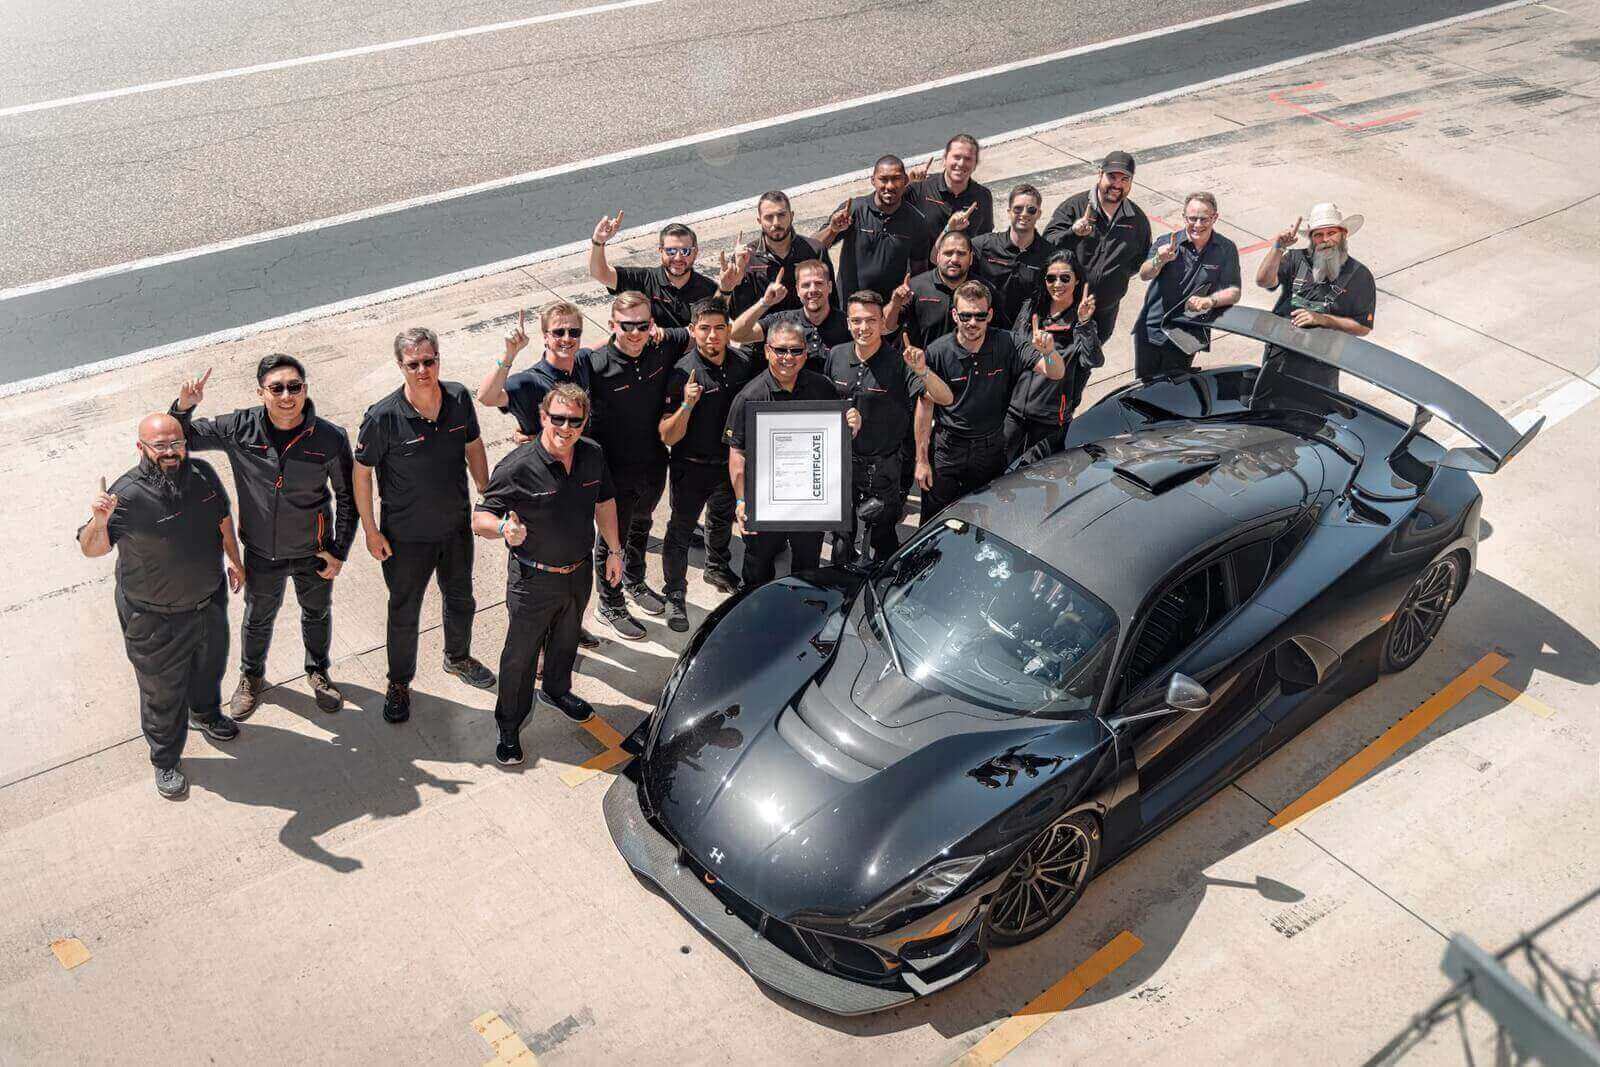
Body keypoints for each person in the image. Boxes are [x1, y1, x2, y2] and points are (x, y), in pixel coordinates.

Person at [171, 355, 355, 719]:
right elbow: (182, 439)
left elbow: (348, 496)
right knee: (257, 619)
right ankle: (251, 678)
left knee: (316, 613)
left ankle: (318, 672)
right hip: (261, 552)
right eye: (276, 388)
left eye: (294, 386)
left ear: (304, 388)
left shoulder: (330, 438)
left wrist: (338, 551)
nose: (287, 396)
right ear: (261, 392)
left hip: (313, 550)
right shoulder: (240, 427)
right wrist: (183, 408)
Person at [78, 412, 245, 799]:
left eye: (177, 443)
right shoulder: (127, 494)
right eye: (161, 446)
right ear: (142, 448)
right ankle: (165, 758)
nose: (171, 452)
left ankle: (205, 714)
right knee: (161, 691)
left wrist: (234, 560)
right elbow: (92, 549)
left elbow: (222, 520)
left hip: (208, 602)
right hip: (154, 618)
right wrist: (99, 522)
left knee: (210, 668)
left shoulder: (202, 474)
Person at [473, 384, 625, 767]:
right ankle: (509, 725)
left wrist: (615, 550)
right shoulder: (518, 466)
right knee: (520, 658)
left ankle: (556, 691)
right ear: (543, 417)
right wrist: (504, 527)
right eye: (557, 418)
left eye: (574, 420)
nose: (565, 427)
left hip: (578, 573)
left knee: (566, 640)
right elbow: (480, 518)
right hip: (533, 581)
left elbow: (604, 501)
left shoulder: (592, 454)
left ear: (584, 421)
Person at [354, 327, 496, 725]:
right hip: (404, 538)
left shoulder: (459, 398)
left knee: (461, 598)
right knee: (404, 612)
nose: (423, 370)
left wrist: (488, 493)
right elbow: (361, 474)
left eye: (429, 361)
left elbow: (473, 445)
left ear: (438, 359)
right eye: (413, 364)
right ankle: (398, 683)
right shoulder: (382, 417)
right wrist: (370, 530)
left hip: (454, 529)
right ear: (401, 366)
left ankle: (458, 657)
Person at [821, 291, 954, 564]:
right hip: (841, 464)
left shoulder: (898, 363)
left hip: (883, 469)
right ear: (847, 323)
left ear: (883, 322)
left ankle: (886, 580)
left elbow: (944, 398)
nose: (863, 328)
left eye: (871, 320)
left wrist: (922, 371)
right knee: (841, 536)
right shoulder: (836, 355)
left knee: (882, 535)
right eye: (856, 320)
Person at [725, 321, 861, 587]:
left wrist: (852, 424)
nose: (788, 358)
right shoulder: (749, 397)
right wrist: (742, 502)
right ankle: (756, 611)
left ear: (805, 354)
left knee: (807, 568)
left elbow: (837, 434)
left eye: (796, 351)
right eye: (781, 350)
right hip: (764, 501)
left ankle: (802, 611)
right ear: (766, 351)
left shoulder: (822, 387)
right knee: (758, 568)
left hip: (810, 502)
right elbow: (737, 454)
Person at [584, 291, 688, 640]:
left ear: (652, 325)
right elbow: (552, 380)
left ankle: (634, 580)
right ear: (613, 325)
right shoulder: (594, 365)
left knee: (642, 525)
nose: (635, 333)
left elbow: (702, 330)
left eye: (642, 325)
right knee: (612, 538)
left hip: (654, 462)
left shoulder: (662, 346)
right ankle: (609, 603)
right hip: (612, 472)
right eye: (626, 326)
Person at [916, 283, 1065, 521]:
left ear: (990, 315)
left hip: (990, 449)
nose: (972, 322)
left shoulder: (1008, 343)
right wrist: (921, 459)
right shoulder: (937, 352)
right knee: (935, 518)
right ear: (955, 315)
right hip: (947, 449)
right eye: (965, 315)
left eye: (979, 315)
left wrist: (1049, 352)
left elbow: (1055, 372)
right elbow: (925, 406)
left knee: (985, 514)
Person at [659, 298, 755, 631]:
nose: (712, 336)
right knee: (680, 531)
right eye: (704, 329)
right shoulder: (680, 372)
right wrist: (687, 403)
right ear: (693, 331)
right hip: (690, 466)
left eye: (719, 328)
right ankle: (674, 591)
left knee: (721, 520)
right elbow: (668, 436)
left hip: (727, 464)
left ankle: (717, 565)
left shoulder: (744, 363)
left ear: (729, 330)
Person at [1255, 202, 1376, 390]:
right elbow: (1264, 281)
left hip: (1321, 370)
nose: (1325, 239)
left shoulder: (1360, 275)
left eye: (1331, 233)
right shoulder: (1295, 259)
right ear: (1312, 239)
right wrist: (1278, 248)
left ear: (1344, 234)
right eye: (1318, 234)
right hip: (1278, 359)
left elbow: (1362, 327)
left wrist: (1323, 319)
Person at [1042, 151, 1153, 340]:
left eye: (1124, 179)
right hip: (1066, 306)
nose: (1117, 184)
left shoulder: (1137, 220)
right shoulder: (1074, 207)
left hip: (1104, 312)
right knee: (1058, 360)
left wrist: (1114, 282)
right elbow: (1046, 244)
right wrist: (1073, 233)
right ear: (1100, 174)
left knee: (1088, 362)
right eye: (1112, 176)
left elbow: (1139, 260)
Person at [1132, 192, 1242, 380]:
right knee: (1144, 389)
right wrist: (1160, 259)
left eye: (1204, 219)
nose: (1197, 225)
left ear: (1215, 217)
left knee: (1175, 389)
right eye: (1192, 218)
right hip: (1152, 331)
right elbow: (1144, 274)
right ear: (1184, 217)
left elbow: (1234, 292)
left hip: (1187, 334)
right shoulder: (1167, 242)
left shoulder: (1226, 248)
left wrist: (1210, 301)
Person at [1006, 254, 1106, 460]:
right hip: (1014, 410)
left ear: (1077, 279)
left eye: (1065, 278)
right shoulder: (1031, 309)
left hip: (1050, 419)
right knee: (997, 466)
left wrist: (1085, 323)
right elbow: (1012, 348)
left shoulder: (1081, 321)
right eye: (1051, 278)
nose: (1057, 284)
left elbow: (1093, 361)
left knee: (1035, 474)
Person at [815, 155, 936, 310]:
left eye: (896, 179)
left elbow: (919, 272)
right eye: (883, 179)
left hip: (889, 311)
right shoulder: (853, 210)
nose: (890, 186)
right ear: (873, 181)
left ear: (906, 181)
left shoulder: (916, 221)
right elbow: (814, 247)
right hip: (849, 308)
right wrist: (832, 229)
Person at [478, 303, 591, 438]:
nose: (566, 338)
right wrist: (508, 354)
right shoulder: (529, 382)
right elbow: (487, 398)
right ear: (545, 337)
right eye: (558, 332)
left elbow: (615, 342)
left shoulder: (584, 360)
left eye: (574, 332)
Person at [589, 215, 718, 329]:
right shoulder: (644, 279)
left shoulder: (709, 289)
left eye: (686, 251)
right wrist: (598, 243)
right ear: (660, 251)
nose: (678, 258)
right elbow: (601, 274)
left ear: (695, 252)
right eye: (671, 251)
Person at [723, 191, 833, 317]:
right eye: (769, 217)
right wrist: (735, 282)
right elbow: (737, 315)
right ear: (759, 221)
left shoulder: (815, 250)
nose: (776, 223)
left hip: (807, 332)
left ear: (791, 216)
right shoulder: (746, 258)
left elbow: (831, 300)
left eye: (781, 215)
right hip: (764, 333)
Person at [729, 259, 850, 362]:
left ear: (829, 287)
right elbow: (737, 335)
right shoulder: (783, 321)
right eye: (806, 285)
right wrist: (764, 303)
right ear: (797, 290)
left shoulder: (848, 324)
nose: (812, 290)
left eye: (818, 283)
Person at [885, 230, 990, 349]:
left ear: (971, 258)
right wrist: (895, 304)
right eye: (948, 253)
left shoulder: (984, 291)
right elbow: (888, 326)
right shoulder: (916, 287)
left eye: (961, 254)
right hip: (920, 364)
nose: (954, 259)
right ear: (938, 256)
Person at [972, 183, 1054, 329]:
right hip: (987, 332)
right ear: (1009, 212)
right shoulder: (985, 245)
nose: (1024, 214)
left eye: (1031, 210)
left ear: (1039, 214)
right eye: (1018, 209)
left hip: (1027, 336)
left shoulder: (1050, 255)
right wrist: (951, 229)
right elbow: (948, 259)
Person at [905, 134, 994, 237]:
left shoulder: (983, 196)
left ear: (975, 165)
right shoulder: (920, 187)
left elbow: (985, 240)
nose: (961, 163)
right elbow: (886, 206)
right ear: (944, 159)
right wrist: (906, 181)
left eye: (968, 159)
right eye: (956, 157)